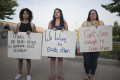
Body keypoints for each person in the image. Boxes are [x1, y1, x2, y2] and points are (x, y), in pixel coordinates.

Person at [81, 9, 104, 80]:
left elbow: (104, 33)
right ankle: (87, 73)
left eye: (94, 13)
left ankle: (93, 74)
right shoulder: (85, 23)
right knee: (87, 61)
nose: (93, 14)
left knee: (94, 61)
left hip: (96, 46)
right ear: (89, 15)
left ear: (96, 14)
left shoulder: (101, 22)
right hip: (86, 46)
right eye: (91, 13)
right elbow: (82, 33)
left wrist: (99, 28)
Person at [14, 8, 36, 80]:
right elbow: (16, 33)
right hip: (21, 44)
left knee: (28, 60)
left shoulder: (32, 25)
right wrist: (15, 31)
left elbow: (35, 35)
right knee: (20, 59)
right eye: (24, 13)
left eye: (27, 13)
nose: (25, 15)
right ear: (21, 14)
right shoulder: (19, 24)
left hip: (29, 45)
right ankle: (19, 73)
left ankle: (28, 74)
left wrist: (31, 33)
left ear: (29, 15)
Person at [48, 8, 68, 80]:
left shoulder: (64, 23)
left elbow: (67, 34)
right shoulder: (51, 23)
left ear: (61, 14)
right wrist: (51, 30)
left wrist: (64, 31)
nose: (56, 13)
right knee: (52, 59)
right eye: (55, 12)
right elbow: (48, 32)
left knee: (60, 59)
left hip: (61, 45)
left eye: (58, 12)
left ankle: (60, 75)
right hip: (53, 44)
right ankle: (52, 75)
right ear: (54, 14)